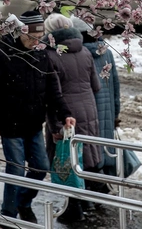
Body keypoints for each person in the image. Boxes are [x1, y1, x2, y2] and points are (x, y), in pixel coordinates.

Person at [0, 11, 76, 227]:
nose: (35, 41)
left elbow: (53, 91)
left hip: (33, 125)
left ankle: (23, 201)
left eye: (38, 37)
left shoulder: (42, 56)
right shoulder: (4, 56)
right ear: (21, 33)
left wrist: (65, 114)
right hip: (10, 125)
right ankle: (8, 215)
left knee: (41, 167)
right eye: (30, 37)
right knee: (16, 170)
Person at [43, 14, 101, 223]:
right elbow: (96, 85)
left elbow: (52, 94)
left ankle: (73, 206)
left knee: (67, 157)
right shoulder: (85, 51)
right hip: (89, 107)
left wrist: (55, 126)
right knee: (87, 154)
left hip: (65, 112)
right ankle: (92, 198)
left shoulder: (50, 55)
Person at [72, 17, 120, 187]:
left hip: (87, 108)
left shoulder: (78, 54)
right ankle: (102, 186)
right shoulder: (106, 51)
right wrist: (116, 112)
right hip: (107, 109)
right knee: (103, 148)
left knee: (88, 153)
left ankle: (91, 190)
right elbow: (115, 84)